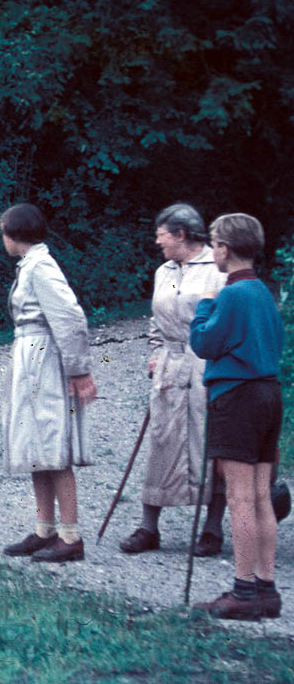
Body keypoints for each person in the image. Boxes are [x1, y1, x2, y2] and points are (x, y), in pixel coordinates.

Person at [120, 203, 228, 556]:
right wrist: (155, 352)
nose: (157, 241)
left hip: (206, 366)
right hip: (169, 366)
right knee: (161, 442)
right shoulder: (163, 271)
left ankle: (211, 530)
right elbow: (155, 320)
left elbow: (227, 320)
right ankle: (148, 527)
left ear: (181, 234)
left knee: (209, 445)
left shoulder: (218, 269)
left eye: (161, 234)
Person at [190, 213, 283, 620]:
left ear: (224, 249)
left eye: (214, 243)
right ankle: (266, 587)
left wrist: (204, 305)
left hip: (236, 396)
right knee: (261, 495)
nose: (212, 251)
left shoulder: (229, 295)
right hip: (269, 394)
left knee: (240, 497)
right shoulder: (264, 292)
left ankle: (243, 591)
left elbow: (205, 343)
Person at [0, 203, 98, 563]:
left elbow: (70, 317)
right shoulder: (30, 266)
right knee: (35, 444)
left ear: (15, 233)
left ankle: (70, 536)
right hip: (29, 355)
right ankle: (45, 528)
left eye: (4, 231)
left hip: (44, 358)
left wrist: (79, 370)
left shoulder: (41, 266)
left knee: (52, 442)